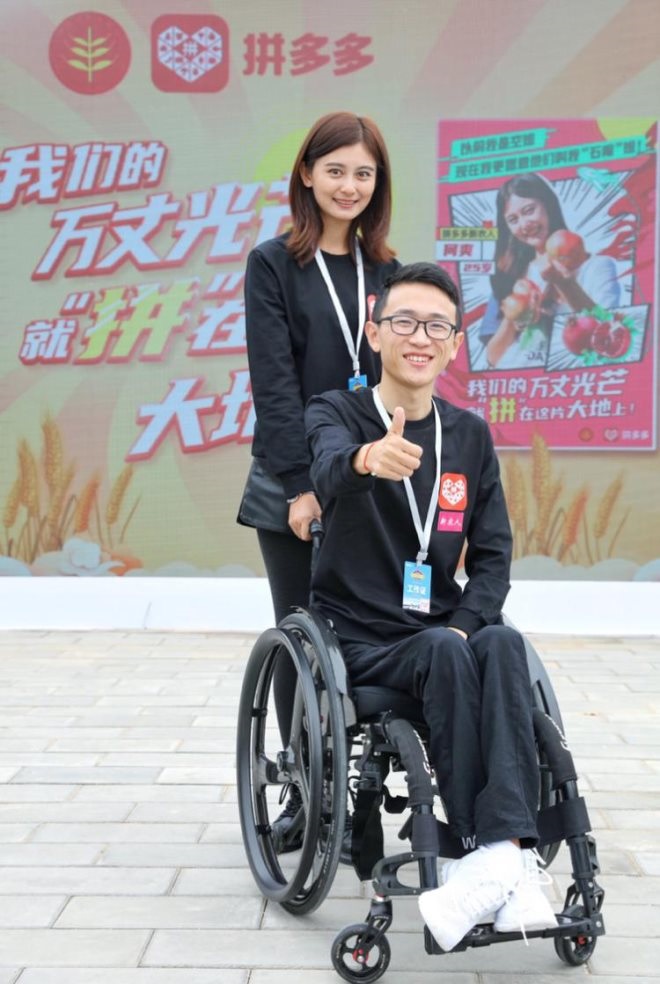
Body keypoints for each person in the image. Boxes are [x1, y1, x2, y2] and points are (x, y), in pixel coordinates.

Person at [305, 262, 558, 952]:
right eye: (405, 322)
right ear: (374, 332)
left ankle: (496, 858)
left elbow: (494, 557)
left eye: (437, 326)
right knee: (449, 649)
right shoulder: (336, 413)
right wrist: (366, 460)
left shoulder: (469, 435)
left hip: (443, 629)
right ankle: (498, 861)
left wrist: (467, 622)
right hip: (361, 636)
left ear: (454, 345)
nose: (420, 337)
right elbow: (326, 466)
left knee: (500, 641)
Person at [237, 111, 400, 848]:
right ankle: (304, 791)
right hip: (295, 482)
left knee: (376, 636)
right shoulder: (274, 264)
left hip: (374, 480)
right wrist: (302, 486)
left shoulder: (390, 274)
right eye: (335, 170)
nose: (349, 185)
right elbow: (274, 387)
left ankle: (365, 788)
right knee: (302, 641)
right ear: (307, 173)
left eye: (363, 173)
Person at [481, 172, 620, 369]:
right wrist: (516, 315)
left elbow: (608, 333)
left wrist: (563, 283)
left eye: (529, 210)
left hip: (576, 380)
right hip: (521, 381)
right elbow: (493, 359)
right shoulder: (512, 276)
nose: (524, 224)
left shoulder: (598, 267)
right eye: (513, 220)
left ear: (548, 205)